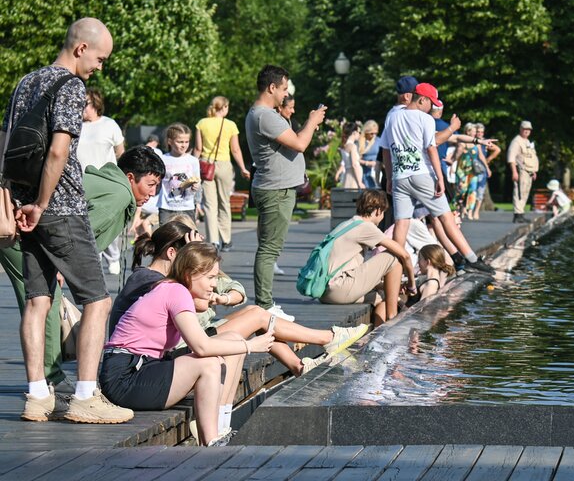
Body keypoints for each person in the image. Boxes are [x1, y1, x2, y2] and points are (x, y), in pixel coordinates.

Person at [0, 18, 134, 423]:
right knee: (97, 299)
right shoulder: (71, 87)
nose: (100, 67)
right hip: (59, 207)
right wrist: (42, 202)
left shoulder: (26, 82)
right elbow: (58, 152)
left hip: (25, 207)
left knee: (38, 300)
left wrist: (18, 201)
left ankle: (38, 396)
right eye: (100, 58)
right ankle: (85, 397)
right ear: (81, 49)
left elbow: (7, 144)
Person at [0, 144, 163, 411]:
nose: (153, 193)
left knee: (40, 301)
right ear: (131, 177)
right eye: (150, 184)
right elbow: (83, 230)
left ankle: (43, 387)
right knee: (48, 300)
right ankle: (53, 380)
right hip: (24, 232)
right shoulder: (120, 194)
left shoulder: (106, 182)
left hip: (29, 227)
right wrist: (63, 263)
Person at [111, 219, 368, 379]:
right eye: (189, 253)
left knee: (256, 313)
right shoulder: (153, 281)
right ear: (172, 253)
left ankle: (300, 365)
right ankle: (328, 339)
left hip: (179, 345)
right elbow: (199, 304)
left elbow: (232, 291)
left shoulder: (161, 277)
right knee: (257, 316)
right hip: (159, 360)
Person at [100, 242, 274, 446]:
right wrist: (251, 346)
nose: (214, 284)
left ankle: (221, 426)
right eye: (210, 278)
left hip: (143, 366)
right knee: (208, 364)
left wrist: (241, 342)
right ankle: (211, 442)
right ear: (190, 274)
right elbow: (201, 347)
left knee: (233, 339)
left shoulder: (173, 288)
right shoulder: (175, 292)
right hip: (124, 377)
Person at [381, 82, 494, 274]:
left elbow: (386, 151)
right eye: (431, 103)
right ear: (422, 99)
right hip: (422, 175)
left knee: (402, 222)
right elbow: (431, 149)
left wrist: (390, 178)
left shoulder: (392, 118)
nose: (432, 108)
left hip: (400, 177)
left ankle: (395, 266)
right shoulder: (425, 119)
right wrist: (440, 178)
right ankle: (472, 260)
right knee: (446, 217)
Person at [245, 65, 326, 321]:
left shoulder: (265, 114)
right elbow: (300, 143)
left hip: (276, 188)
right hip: (275, 190)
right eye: (282, 89)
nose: (285, 94)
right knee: (269, 250)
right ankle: (265, 305)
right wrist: (312, 121)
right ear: (271, 87)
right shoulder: (264, 116)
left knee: (269, 248)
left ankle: (265, 304)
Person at [319, 190, 415, 326]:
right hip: (339, 289)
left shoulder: (346, 224)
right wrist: (412, 284)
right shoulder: (365, 227)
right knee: (394, 256)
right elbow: (404, 255)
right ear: (378, 211)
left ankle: (378, 334)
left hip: (326, 293)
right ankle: (393, 320)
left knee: (385, 296)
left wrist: (389, 286)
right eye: (383, 213)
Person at [78, 88, 126, 275]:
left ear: (95, 104)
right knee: (88, 220)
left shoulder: (109, 124)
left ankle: (113, 257)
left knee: (108, 218)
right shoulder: (76, 125)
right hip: (82, 179)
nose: (82, 107)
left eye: (86, 103)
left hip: (105, 178)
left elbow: (120, 151)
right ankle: (94, 254)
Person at [194, 96, 251, 252]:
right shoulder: (230, 125)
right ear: (224, 107)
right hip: (224, 165)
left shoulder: (202, 123)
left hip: (206, 165)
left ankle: (213, 241)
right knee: (224, 203)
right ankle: (226, 240)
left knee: (209, 205)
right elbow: (235, 149)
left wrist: (191, 167)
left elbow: (198, 149)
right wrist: (242, 168)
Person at [158, 123, 200, 224]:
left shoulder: (193, 160)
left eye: (186, 142)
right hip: (166, 207)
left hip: (187, 207)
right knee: (166, 238)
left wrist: (196, 187)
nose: (184, 145)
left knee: (188, 237)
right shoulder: (163, 159)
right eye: (180, 142)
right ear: (170, 142)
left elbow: (197, 181)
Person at [453, 123, 490, 220]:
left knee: (473, 191)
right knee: (461, 191)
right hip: (462, 170)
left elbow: (481, 156)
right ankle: (459, 209)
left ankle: (470, 211)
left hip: (473, 171)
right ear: (468, 131)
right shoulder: (462, 142)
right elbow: (455, 155)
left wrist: (487, 167)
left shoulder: (476, 143)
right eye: (473, 131)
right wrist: (452, 165)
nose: (475, 133)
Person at [508, 121, 540, 222]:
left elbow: (532, 157)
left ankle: (521, 213)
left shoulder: (527, 142)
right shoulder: (516, 141)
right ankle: (517, 214)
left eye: (528, 129)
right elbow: (511, 158)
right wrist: (514, 172)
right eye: (525, 129)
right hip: (521, 170)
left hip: (529, 171)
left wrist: (534, 171)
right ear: (520, 129)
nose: (526, 131)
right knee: (519, 192)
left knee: (525, 192)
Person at [473, 123, 500, 219]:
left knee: (480, 191)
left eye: (481, 132)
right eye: (478, 132)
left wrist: (488, 160)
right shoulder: (472, 141)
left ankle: (476, 211)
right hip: (471, 169)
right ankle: (469, 210)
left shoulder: (485, 142)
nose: (480, 133)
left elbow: (497, 149)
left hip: (481, 168)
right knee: (471, 190)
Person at [336, 122, 364, 189]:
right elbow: (354, 164)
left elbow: (344, 163)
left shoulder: (344, 146)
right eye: (359, 132)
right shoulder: (352, 146)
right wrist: (359, 182)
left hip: (347, 178)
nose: (359, 135)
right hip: (354, 179)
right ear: (354, 133)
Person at [358, 120, 381, 188]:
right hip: (364, 172)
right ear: (366, 132)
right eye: (371, 133)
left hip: (377, 172)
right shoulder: (360, 142)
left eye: (375, 133)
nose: (374, 135)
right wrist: (367, 163)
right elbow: (356, 159)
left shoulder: (379, 141)